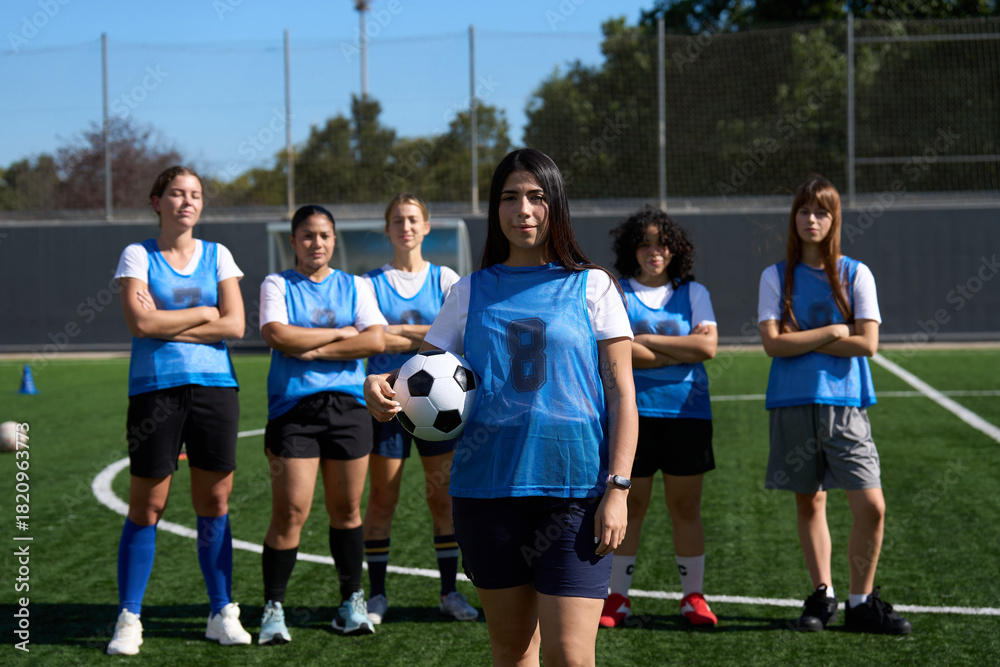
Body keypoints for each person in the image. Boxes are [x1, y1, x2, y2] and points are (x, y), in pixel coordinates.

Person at [364, 148, 638, 666]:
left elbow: (623, 391)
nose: (524, 210)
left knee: (572, 656)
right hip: (488, 492)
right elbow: (414, 377)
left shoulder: (593, 285)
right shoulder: (468, 292)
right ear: (496, 210)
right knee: (512, 652)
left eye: (537, 197)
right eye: (510, 198)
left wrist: (618, 487)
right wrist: (377, 388)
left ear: (555, 204)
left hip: (574, 492)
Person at [757, 176, 911, 635]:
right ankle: (823, 596)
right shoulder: (774, 275)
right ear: (794, 218)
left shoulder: (855, 272)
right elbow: (772, 345)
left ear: (834, 218)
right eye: (804, 211)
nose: (811, 219)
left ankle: (862, 601)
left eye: (821, 211)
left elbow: (868, 343)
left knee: (872, 505)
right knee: (810, 503)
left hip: (845, 404)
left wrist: (801, 340)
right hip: (791, 400)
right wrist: (832, 332)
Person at [108, 165, 251, 656]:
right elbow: (138, 321)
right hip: (155, 391)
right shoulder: (137, 254)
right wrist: (202, 313)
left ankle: (221, 611)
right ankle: (129, 617)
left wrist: (167, 323)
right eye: (175, 193)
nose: (186, 201)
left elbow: (235, 326)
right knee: (147, 505)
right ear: (157, 201)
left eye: (194, 194)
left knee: (213, 503)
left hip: (216, 389)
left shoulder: (219, 255)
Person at [257, 204, 387, 644]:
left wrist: (312, 349)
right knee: (291, 511)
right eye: (308, 236)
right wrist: (341, 335)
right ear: (293, 241)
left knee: (347, 511)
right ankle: (273, 607)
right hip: (294, 411)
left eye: (325, 236)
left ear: (335, 241)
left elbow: (376, 338)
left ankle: (351, 601)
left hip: (349, 410)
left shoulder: (356, 285)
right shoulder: (277, 283)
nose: (317, 243)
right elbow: (277, 335)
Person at [360, 193, 477, 624]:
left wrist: (397, 333)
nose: (405, 227)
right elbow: (375, 340)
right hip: (386, 405)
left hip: (440, 406)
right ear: (387, 228)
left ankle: (449, 593)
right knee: (383, 498)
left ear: (426, 227)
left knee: (441, 499)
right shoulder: (368, 282)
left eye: (413, 219)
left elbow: (456, 336)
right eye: (397, 220)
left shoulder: (446, 278)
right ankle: (376, 596)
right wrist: (425, 333)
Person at [600, 208, 719, 628]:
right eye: (645, 243)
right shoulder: (617, 291)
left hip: (687, 413)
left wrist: (647, 340)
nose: (654, 251)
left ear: (675, 249)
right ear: (631, 248)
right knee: (631, 504)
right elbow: (617, 352)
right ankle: (616, 599)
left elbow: (707, 349)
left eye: (662, 243)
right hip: (633, 415)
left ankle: (693, 597)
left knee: (686, 507)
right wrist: (677, 349)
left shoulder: (694, 292)